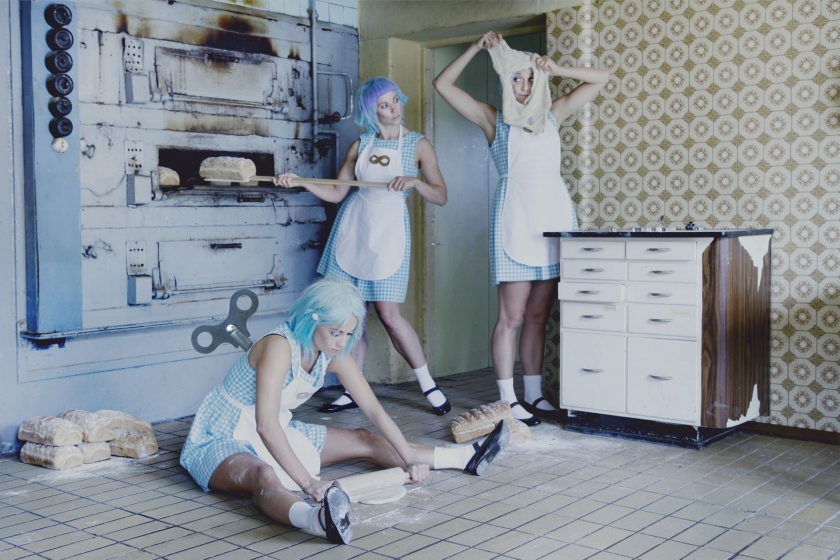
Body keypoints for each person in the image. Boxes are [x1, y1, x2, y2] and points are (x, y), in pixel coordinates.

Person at [180, 278, 509, 545]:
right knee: (262, 476)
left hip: (276, 428)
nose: (341, 341)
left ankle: (464, 457)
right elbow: (265, 425)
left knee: (364, 438)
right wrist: (309, 483)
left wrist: (410, 459)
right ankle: (316, 519)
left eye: (348, 333)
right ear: (312, 319)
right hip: (223, 434)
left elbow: (374, 411)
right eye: (334, 332)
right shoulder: (279, 347)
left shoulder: (332, 353)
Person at [433, 31, 609, 426]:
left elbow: (601, 78)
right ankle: (507, 399)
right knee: (511, 317)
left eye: (531, 77)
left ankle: (533, 395)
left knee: (538, 317)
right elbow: (442, 84)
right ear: (506, 80)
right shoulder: (492, 119)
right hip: (515, 221)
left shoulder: (554, 114)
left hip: (553, 220)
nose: (525, 85)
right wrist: (475, 48)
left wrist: (557, 68)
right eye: (517, 78)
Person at [274, 77, 451, 416]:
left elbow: (441, 195)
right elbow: (337, 192)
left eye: (395, 100)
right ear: (372, 112)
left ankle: (428, 385)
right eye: (384, 105)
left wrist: (415, 182)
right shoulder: (360, 145)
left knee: (390, 316)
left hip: (389, 235)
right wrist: (301, 182)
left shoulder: (418, 145)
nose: (394, 109)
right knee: (350, 315)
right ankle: (352, 389)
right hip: (353, 231)